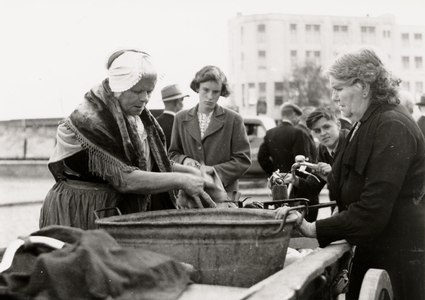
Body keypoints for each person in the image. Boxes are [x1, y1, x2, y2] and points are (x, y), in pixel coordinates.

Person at [276, 47, 425, 300]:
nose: (335, 97)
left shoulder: (391, 124)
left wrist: (314, 229)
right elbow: (347, 181)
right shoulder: (367, 121)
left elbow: (372, 209)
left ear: (363, 86)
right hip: (381, 252)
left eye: (339, 88)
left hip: (398, 260)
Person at [40, 49, 217, 230]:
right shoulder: (92, 120)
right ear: (119, 87)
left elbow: (153, 163)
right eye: (137, 91)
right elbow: (125, 178)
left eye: (149, 91)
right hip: (84, 209)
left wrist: (190, 172)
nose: (145, 99)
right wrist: (180, 180)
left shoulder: (138, 118)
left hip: (113, 209)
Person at [168, 66, 251, 198]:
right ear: (197, 88)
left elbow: (243, 160)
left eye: (216, 92)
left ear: (221, 92)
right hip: (190, 194)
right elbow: (172, 154)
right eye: (205, 90)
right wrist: (184, 160)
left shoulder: (234, 119)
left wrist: (214, 170)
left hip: (224, 195)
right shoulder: (180, 118)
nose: (210, 97)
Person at [290, 107, 349, 219]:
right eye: (317, 131)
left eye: (326, 127)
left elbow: (357, 184)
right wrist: (295, 180)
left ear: (338, 125)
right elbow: (314, 186)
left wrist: (332, 174)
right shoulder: (322, 149)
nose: (323, 134)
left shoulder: (351, 142)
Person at [258, 102, 316, 177]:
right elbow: (303, 161)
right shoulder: (298, 133)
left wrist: (273, 171)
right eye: (298, 117)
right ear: (294, 115)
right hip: (295, 181)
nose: (298, 120)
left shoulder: (270, 133)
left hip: (278, 179)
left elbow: (261, 157)